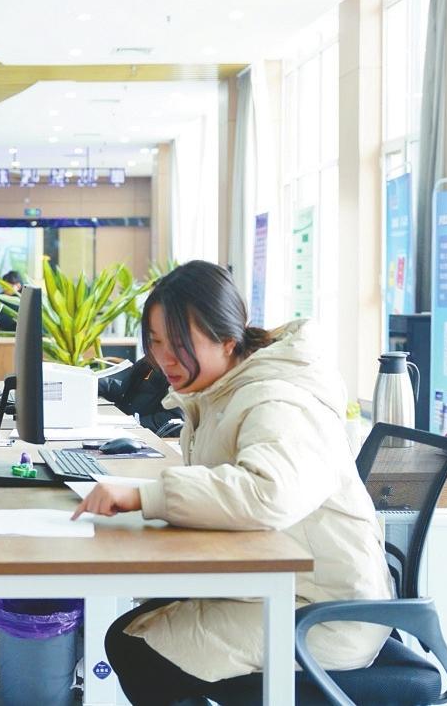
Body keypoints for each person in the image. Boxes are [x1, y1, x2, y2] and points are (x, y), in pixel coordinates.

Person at [73, 260, 393, 705]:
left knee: (139, 648)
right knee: (135, 630)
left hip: (325, 613)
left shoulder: (279, 397)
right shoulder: (224, 389)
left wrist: (149, 495)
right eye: (156, 341)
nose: (164, 358)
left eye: (180, 344)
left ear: (228, 339)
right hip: (282, 587)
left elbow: (268, 492)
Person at [96, 355, 182, 434]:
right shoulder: (149, 361)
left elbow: (175, 419)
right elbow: (127, 392)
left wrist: (134, 422)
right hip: (127, 428)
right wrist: (97, 384)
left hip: (145, 435)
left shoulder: (177, 368)